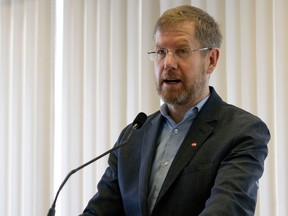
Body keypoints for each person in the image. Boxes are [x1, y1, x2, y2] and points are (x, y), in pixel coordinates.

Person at [80, 5, 270, 216]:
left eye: (182, 51)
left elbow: (226, 210)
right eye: (161, 52)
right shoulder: (133, 136)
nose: (168, 63)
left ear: (211, 60)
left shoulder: (242, 132)